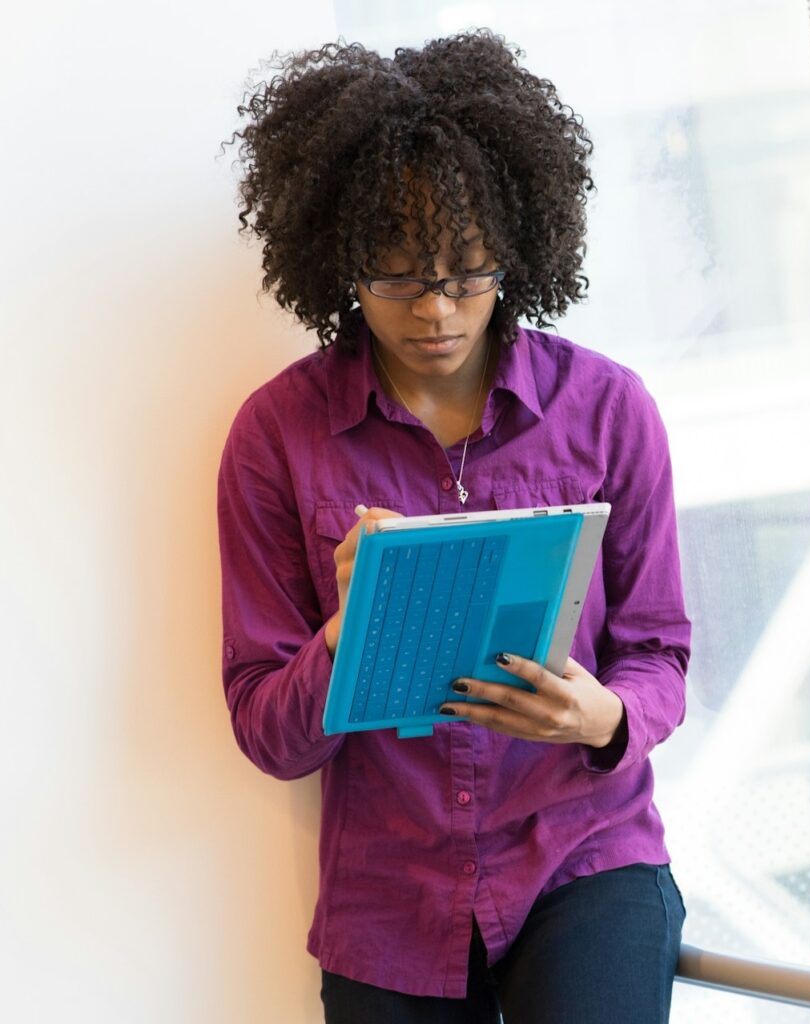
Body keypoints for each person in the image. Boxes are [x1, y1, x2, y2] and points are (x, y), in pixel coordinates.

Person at [218, 29, 691, 1024]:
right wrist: (348, 629)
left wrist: (601, 718)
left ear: (516, 255)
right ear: (339, 260)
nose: (434, 309)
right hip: (387, 899)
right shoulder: (277, 435)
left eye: (467, 273)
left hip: (581, 852)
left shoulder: (608, 409)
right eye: (394, 276)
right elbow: (266, 729)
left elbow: (658, 654)